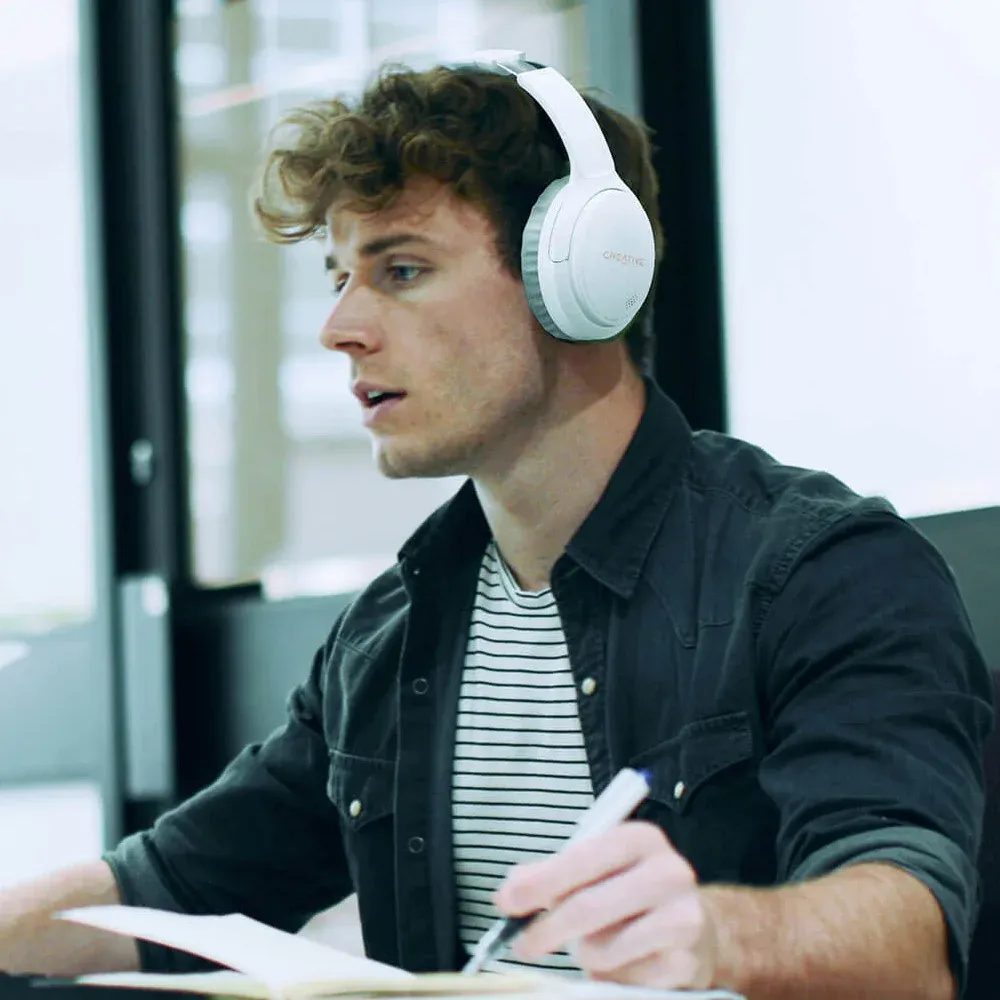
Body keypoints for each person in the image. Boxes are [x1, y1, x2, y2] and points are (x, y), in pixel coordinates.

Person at [0, 54, 992, 1000]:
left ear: (582, 276)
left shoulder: (821, 572)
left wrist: (717, 936)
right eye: (339, 278)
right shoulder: (388, 636)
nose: (340, 328)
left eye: (400, 270)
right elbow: (167, 886)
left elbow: (909, 951)